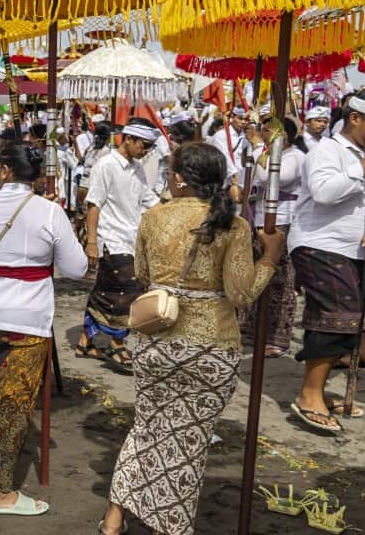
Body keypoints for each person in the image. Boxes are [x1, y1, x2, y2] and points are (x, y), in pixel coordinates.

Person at [100, 143, 281, 535]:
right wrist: (270, 258)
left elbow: (144, 273)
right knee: (187, 445)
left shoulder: (153, 217)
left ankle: (114, 519)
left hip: (156, 342)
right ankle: (171, 526)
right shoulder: (234, 226)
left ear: (180, 179)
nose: (167, 179)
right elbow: (241, 295)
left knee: (146, 428)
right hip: (211, 348)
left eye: (169, 173)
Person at [0, 141, 87, 517]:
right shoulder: (49, 211)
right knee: (10, 406)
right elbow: (76, 269)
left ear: (5, 170)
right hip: (25, 319)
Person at [286, 92, 365, 434]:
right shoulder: (326, 151)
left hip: (352, 248)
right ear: (355, 118)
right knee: (338, 316)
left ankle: (318, 390)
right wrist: (362, 168)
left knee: (341, 320)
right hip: (319, 243)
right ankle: (309, 395)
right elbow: (324, 192)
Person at [78, 119, 161, 372]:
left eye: (149, 146)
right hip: (112, 239)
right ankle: (116, 343)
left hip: (131, 238)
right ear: (128, 139)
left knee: (104, 291)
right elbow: (94, 204)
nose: (145, 150)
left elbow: (149, 199)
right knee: (127, 290)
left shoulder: (137, 168)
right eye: (144, 145)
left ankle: (85, 341)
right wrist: (91, 242)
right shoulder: (106, 165)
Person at [240, 117, 305, 358]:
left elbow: (272, 178)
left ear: (283, 135)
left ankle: (277, 336)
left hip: (283, 221)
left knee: (280, 279)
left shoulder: (295, 157)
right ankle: (253, 329)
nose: (262, 134)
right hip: (258, 217)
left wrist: (257, 146)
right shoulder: (264, 153)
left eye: (267, 130)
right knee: (256, 274)